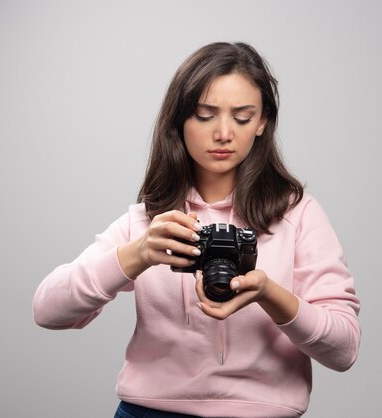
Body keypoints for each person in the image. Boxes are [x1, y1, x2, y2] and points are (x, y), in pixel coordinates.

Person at [33, 42, 360, 418]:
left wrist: (269, 293)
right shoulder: (151, 220)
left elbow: (344, 349)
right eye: (205, 115)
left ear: (262, 122)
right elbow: (47, 310)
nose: (223, 133)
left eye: (242, 116)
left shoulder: (298, 214)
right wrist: (136, 255)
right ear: (180, 121)